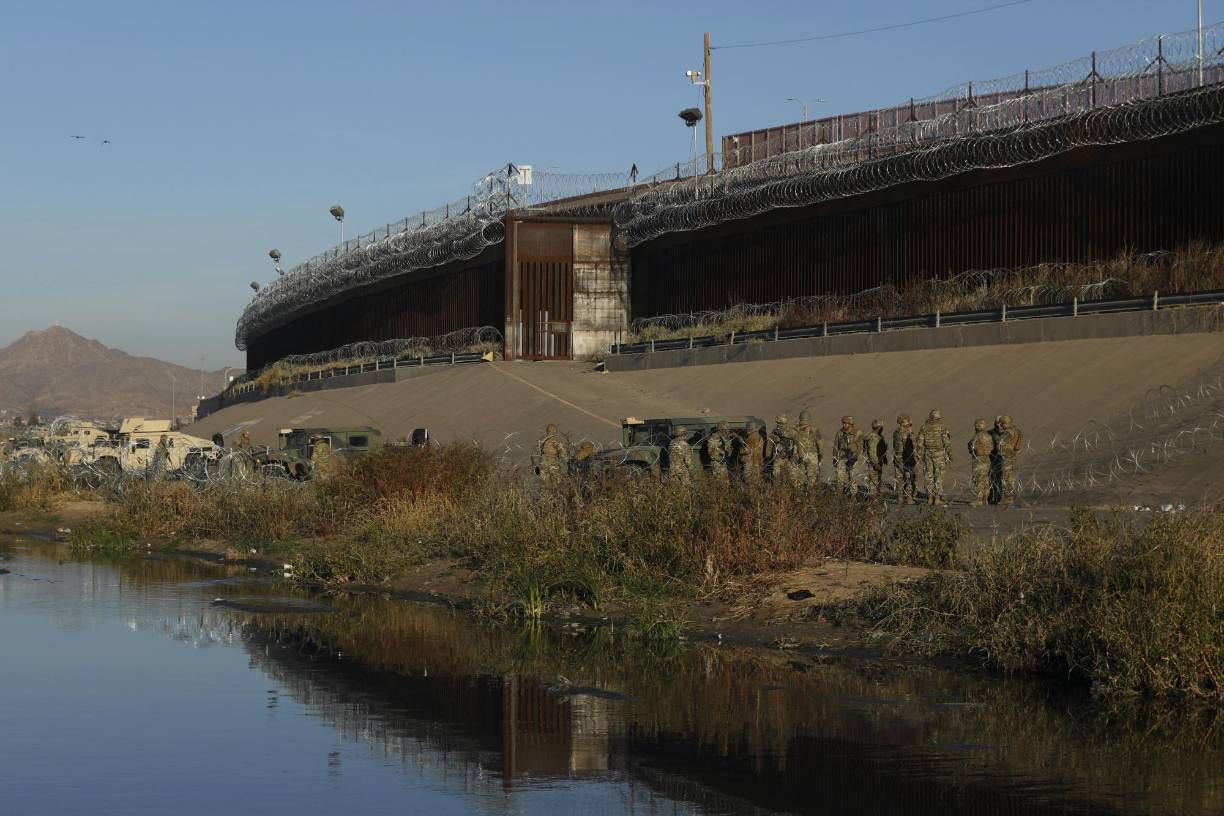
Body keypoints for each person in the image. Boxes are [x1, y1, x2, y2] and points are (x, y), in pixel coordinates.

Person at [916, 409, 952, 506]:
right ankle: (937, 499)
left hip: (928, 454)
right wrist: (950, 455)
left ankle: (930, 498)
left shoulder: (924, 427)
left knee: (929, 476)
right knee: (939, 476)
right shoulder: (942, 427)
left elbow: (919, 443)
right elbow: (947, 442)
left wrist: (919, 455)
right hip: (939, 454)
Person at [992, 414, 1024, 506]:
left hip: (1006, 456)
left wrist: (995, 436)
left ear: (1006, 423)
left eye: (1002, 424)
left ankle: (1008, 498)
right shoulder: (1017, 431)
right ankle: (1008, 497)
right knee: (1009, 476)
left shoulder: (1008, 432)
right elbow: (1018, 445)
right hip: (1012, 455)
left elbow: (1000, 442)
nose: (1001, 426)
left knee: (1006, 477)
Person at [833, 416, 863, 495]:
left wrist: (855, 456)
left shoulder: (857, 433)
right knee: (839, 478)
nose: (843, 425)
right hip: (842, 458)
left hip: (854, 459)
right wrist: (835, 459)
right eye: (843, 423)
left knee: (852, 478)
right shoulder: (840, 433)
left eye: (845, 423)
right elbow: (836, 446)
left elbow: (860, 447)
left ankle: (853, 497)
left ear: (851, 423)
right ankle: (839, 495)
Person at [794, 409, 824, 488]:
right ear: (809, 419)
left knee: (799, 477)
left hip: (799, 455)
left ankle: (798, 496)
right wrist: (820, 455)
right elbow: (820, 444)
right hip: (812, 456)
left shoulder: (795, 429)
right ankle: (810, 497)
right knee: (812, 478)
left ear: (800, 418)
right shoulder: (814, 429)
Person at [892, 415, 918, 505]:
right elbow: (913, 443)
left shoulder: (896, 432)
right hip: (906, 458)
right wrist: (911, 432)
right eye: (908, 421)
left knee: (899, 479)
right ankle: (909, 498)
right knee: (909, 478)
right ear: (904, 422)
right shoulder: (906, 432)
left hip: (897, 458)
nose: (910, 423)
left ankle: (900, 498)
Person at [968, 419, 993, 507]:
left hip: (978, 460)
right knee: (985, 480)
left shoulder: (977, 436)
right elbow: (991, 447)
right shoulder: (988, 436)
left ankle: (979, 500)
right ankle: (985, 500)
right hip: (986, 459)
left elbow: (972, 447)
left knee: (978, 479)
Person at [767, 415, 798, 485]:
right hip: (788, 458)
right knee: (791, 477)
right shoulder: (792, 432)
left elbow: (769, 446)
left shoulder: (774, 432)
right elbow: (797, 443)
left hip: (781, 458)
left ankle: (779, 491)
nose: (778, 425)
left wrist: (768, 457)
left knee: (777, 477)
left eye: (778, 423)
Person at [862, 419, 888, 498]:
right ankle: (871, 507)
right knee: (873, 487)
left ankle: (874, 505)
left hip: (878, 463)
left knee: (877, 485)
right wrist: (876, 464)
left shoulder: (879, 436)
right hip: (873, 465)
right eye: (881, 427)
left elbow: (881, 449)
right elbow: (872, 452)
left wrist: (884, 458)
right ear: (879, 427)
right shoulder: (873, 437)